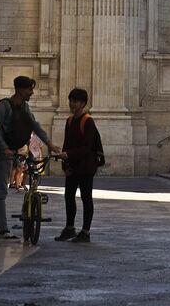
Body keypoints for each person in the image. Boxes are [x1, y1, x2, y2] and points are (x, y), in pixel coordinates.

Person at [0, 76, 52, 241]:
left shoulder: (24, 107)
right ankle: (3, 230)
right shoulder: (4, 105)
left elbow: (35, 126)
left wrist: (49, 143)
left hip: (9, 150)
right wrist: (5, 148)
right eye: (30, 89)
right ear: (20, 90)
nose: (32, 92)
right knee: (1, 191)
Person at [55, 88, 104, 244]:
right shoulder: (69, 121)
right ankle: (70, 228)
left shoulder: (87, 121)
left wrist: (68, 155)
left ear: (83, 103)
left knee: (86, 198)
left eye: (75, 101)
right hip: (73, 166)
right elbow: (67, 143)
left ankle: (85, 231)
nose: (72, 104)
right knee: (69, 196)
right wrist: (65, 163)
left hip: (86, 167)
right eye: (71, 100)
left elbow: (87, 146)